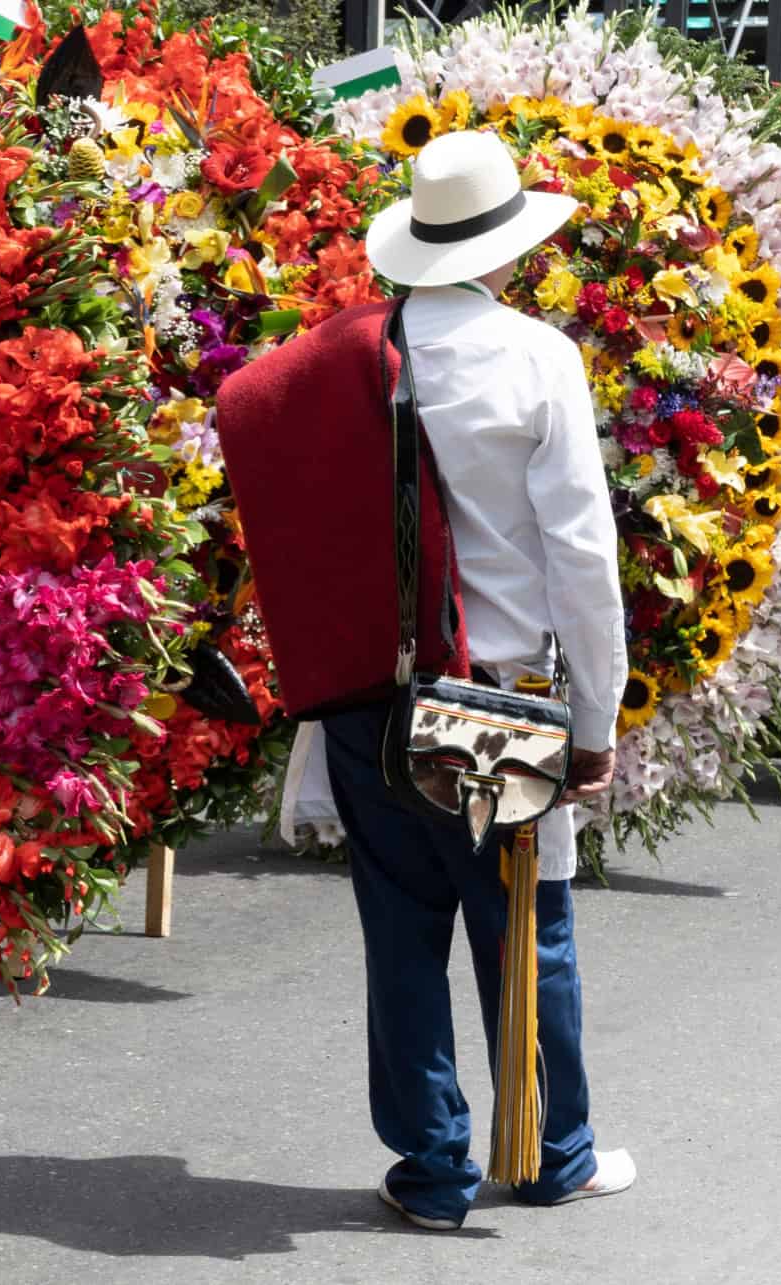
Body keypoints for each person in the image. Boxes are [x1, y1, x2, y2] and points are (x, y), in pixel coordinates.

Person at [256, 129, 635, 1230]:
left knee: (403, 934)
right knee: (528, 930)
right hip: (500, 695)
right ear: (508, 248)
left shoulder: (345, 356)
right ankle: (552, 1153)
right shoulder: (536, 357)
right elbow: (583, 558)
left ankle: (431, 1167)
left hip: (368, 693)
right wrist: (598, 720)